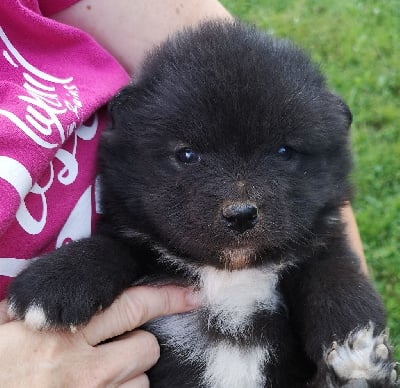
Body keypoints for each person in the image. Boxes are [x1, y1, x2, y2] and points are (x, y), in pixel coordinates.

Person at [0, 0, 367, 386]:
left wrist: (354, 353)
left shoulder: (310, 248)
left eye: (284, 153)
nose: (239, 201)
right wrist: (94, 264)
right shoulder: (141, 226)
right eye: (187, 156)